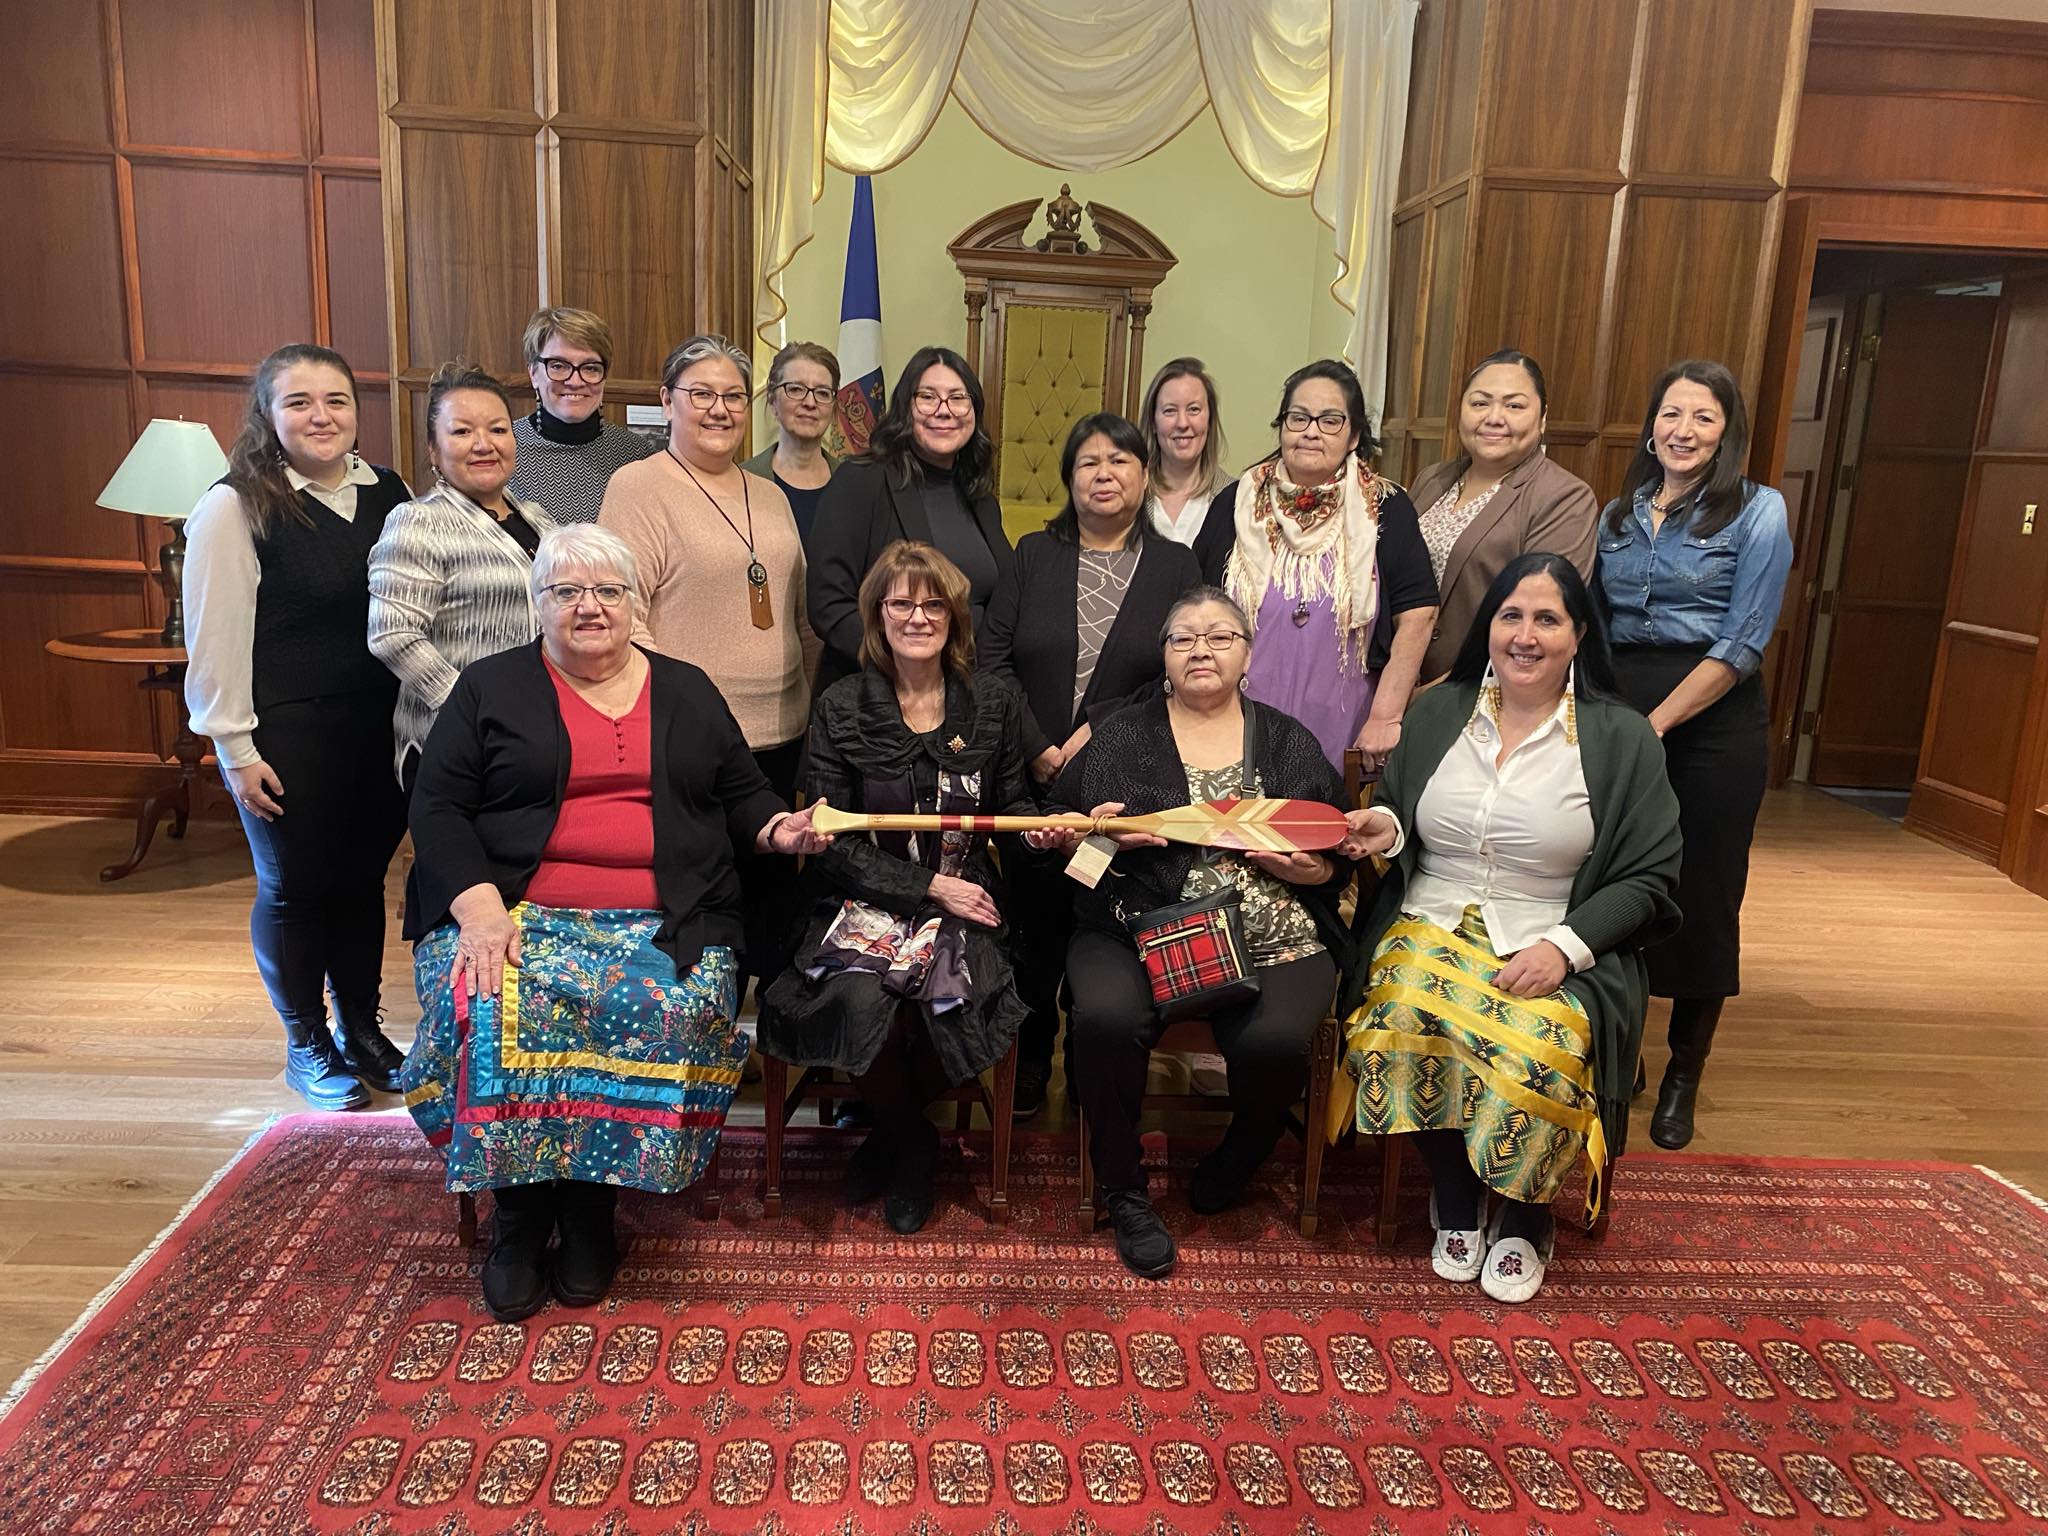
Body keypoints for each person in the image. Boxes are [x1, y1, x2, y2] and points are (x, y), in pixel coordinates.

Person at [400, 525, 832, 1322]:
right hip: (514, 908)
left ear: (636, 603)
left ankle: (592, 1209)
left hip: (665, 914)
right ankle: (521, 1215)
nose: (588, 607)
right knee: (488, 1008)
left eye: (607, 591)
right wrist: (480, 907)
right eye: (567, 592)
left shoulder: (686, 687)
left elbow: (741, 790)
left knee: (663, 1005)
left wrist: (777, 828)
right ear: (539, 605)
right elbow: (438, 805)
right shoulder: (488, 687)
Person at [1338, 553, 1681, 1303]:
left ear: (1580, 634)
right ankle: (1455, 1199)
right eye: (1511, 616)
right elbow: (1404, 814)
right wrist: (1382, 828)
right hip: (1431, 913)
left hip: (1555, 929)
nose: (1526, 636)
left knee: (1542, 1043)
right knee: (1399, 1015)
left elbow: (1650, 880)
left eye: (1547, 619)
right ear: (1489, 627)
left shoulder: (1621, 739)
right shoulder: (1438, 710)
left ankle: (1526, 1217)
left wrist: (1563, 951)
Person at [1030, 587, 1352, 1279]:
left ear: (1246, 653)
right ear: (1165, 656)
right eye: (1183, 639)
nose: (1201, 649)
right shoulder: (1119, 735)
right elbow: (1074, 860)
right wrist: (1101, 842)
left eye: (1219, 637)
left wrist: (1307, 872)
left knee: (1274, 1043)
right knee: (1105, 1021)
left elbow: (1336, 858)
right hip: (1132, 928)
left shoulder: (1289, 739)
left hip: (1275, 933)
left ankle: (1245, 1147)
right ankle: (1125, 1190)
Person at [761, 542, 1034, 1234]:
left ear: (955, 616)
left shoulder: (992, 702)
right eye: (901, 603)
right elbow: (833, 845)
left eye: (933, 603)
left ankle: (890, 1133)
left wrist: (1041, 832)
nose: (918, 615)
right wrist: (929, 886)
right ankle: (913, 1140)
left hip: (967, 895)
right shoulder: (842, 705)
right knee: (860, 1001)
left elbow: (1012, 810)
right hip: (863, 899)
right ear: (877, 616)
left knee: (949, 1001)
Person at [183, 343, 410, 1110]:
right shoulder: (235, 503)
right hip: (282, 732)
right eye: (300, 402)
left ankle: (362, 1030)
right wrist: (234, 749)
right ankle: (307, 1044)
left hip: (376, 725)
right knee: (294, 889)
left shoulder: (389, 490)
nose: (322, 416)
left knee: (358, 883)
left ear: (356, 412)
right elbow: (213, 639)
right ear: (268, 415)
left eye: (337, 401)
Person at [1596, 359, 1793, 1150]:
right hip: (1622, 709)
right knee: (1617, 879)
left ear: (1726, 431)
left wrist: (1658, 723)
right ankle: (1626, 1052)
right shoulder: (1619, 513)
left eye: (1703, 418)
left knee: (1704, 889)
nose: (1683, 431)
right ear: (1652, 424)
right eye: (1672, 414)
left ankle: (1684, 1071)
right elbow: (1596, 624)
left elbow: (1744, 639)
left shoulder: (1760, 512)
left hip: (1712, 719)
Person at [980, 412, 1202, 1116]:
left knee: (1096, 919)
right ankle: (1030, 1055)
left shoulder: (1176, 566)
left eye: (1120, 462)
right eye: (1088, 463)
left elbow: (1175, 671)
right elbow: (993, 659)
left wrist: (1090, 734)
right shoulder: (1032, 555)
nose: (1104, 475)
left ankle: (1088, 1064)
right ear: (1069, 477)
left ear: (1145, 475)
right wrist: (1039, 742)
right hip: (1029, 775)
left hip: (1120, 780)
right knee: (1032, 924)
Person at [600, 333, 813, 998]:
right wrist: (668, 713)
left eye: (731, 397)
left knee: (770, 890)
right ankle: (705, 1028)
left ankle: (763, 1031)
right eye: (701, 395)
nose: (718, 410)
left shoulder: (768, 493)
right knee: (708, 893)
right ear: (667, 401)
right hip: (690, 733)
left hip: (782, 727)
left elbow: (797, 614)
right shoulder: (638, 486)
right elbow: (623, 618)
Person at [1192, 359, 1437, 775]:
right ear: (1282, 427)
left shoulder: (1386, 507)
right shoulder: (1234, 504)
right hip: (1235, 714)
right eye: (1299, 417)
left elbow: (1418, 616)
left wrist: (1386, 717)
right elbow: (1195, 608)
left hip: (1344, 719)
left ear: (1354, 434)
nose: (1311, 431)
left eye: (1330, 420)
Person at [368, 363, 556, 789]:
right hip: (456, 741)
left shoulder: (539, 520)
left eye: (497, 429)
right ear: (434, 450)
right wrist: (473, 706)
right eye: (462, 432)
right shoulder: (416, 521)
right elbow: (391, 635)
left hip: (537, 737)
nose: (483, 444)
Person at [809, 345, 1014, 690]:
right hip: (875, 697)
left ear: (974, 410)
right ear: (906, 406)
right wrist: (913, 666)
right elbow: (829, 606)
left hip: (966, 693)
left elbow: (1001, 604)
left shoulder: (981, 499)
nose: (944, 411)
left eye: (957, 398)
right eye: (928, 397)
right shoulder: (861, 481)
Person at [1408, 349, 1599, 682]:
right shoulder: (1432, 480)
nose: (1494, 417)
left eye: (1514, 406)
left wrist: (1436, 696)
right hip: (1397, 682)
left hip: (1485, 690)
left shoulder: (1564, 498)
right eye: (1480, 403)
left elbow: (1539, 623)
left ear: (1542, 418)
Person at [506, 306, 656, 525]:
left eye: (590, 368)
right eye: (558, 366)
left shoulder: (637, 455)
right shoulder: (502, 449)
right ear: (533, 373)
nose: (575, 381)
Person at [741, 340, 841, 545]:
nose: (810, 403)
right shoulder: (741, 481)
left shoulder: (853, 483)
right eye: (796, 389)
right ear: (772, 398)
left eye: (822, 393)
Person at [1138, 356, 1229, 545]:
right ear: (1153, 421)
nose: (1182, 423)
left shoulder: (1235, 500)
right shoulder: (1130, 495)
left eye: (1194, 410)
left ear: (1210, 419)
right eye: (1170, 411)